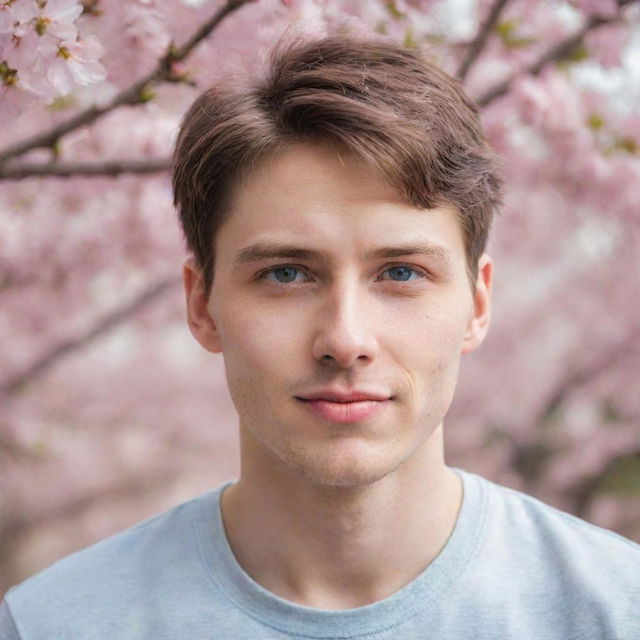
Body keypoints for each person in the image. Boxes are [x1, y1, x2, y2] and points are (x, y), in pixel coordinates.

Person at [1, 34, 638, 640]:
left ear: (477, 305)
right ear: (202, 305)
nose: (345, 338)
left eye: (401, 272)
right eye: (286, 273)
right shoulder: (51, 624)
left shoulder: (615, 608)